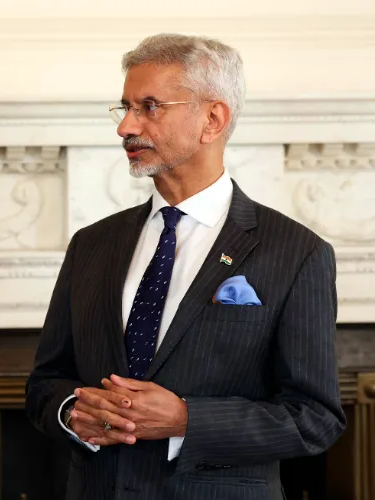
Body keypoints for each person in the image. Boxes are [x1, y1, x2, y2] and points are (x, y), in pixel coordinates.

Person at [25, 33, 346, 500]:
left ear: (212, 119)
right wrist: (72, 410)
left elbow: (315, 419)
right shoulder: (91, 245)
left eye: (150, 107)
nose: (125, 127)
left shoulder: (297, 253)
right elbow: (44, 385)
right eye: (126, 107)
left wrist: (186, 420)